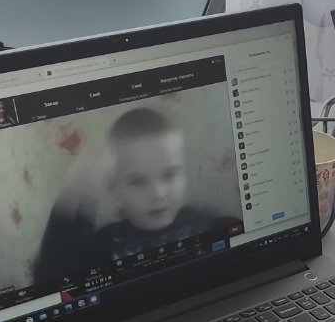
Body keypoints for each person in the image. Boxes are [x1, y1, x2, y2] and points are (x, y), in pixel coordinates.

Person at [33, 104, 237, 285]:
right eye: (137, 181)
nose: (158, 193)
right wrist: (71, 194)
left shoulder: (208, 224)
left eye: (169, 174)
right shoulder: (105, 245)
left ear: (184, 173)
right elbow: (51, 279)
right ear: (115, 189)